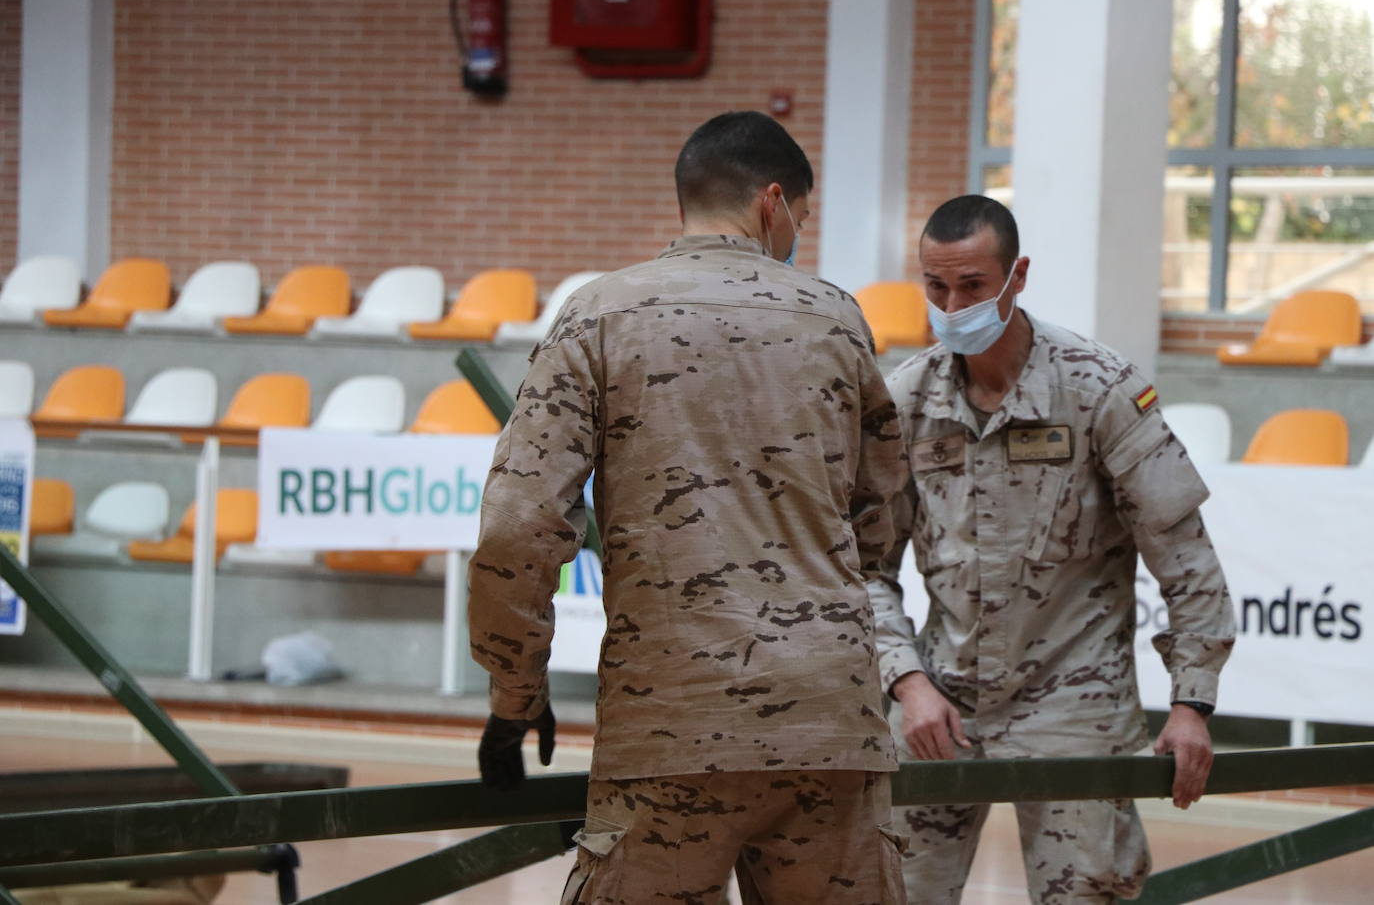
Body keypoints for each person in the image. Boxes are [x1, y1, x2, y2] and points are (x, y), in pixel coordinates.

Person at [467, 111, 910, 904]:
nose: (797, 235)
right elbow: (880, 516)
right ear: (772, 203)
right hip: (829, 726)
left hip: (669, 725)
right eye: (801, 218)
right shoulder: (837, 318)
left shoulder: (600, 313)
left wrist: (515, 695)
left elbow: (517, 525)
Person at [871, 195, 1236, 904]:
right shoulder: (907, 402)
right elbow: (864, 568)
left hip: (1075, 701)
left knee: (1087, 893)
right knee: (890, 889)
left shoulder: (1098, 389)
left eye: (972, 286)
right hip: (939, 699)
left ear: (1018, 276)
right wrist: (907, 683)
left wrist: (1192, 702)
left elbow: (1186, 559)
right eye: (936, 287)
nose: (952, 306)